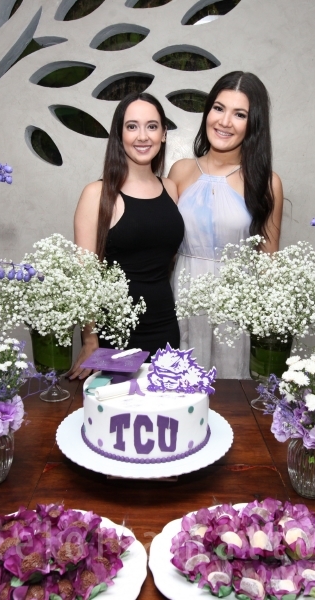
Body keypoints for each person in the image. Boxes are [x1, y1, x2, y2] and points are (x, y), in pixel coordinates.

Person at [168, 71, 284, 379]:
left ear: (253, 123)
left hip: (235, 308)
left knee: (231, 399)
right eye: (218, 108)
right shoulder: (179, 171)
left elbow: (267, 264)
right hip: (181, 296)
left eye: (240, 114)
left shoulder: (266, 183)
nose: (224, 121)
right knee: (178, 391)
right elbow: (164, 248)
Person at [67, 92, 184, 379]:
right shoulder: (97, 194)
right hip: (116, 333)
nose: (142, 136)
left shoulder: (170, 188)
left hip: (165, 326)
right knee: (115, 417)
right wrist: (90, 341)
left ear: (164, 134)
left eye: (152, 126)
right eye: (132, 126)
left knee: (163, 416)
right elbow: (85, 278)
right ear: (119, 135)